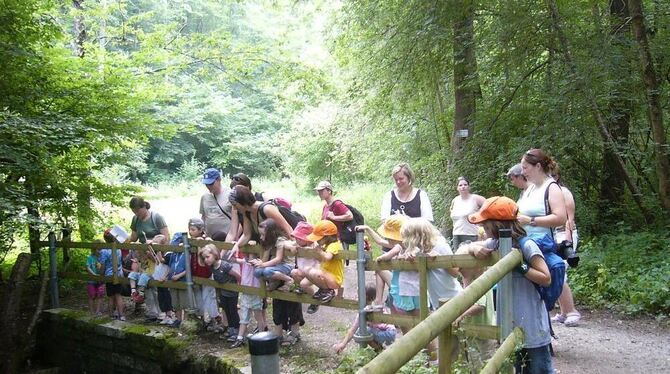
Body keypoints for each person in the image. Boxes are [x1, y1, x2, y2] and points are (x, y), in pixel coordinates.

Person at [467, 196, 555, 374]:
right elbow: (466, 247)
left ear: (497, 224)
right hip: (509, 322)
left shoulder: (527, 245)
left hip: (531, 322)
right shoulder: (496, 244)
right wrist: (473, 248)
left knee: (539, 368)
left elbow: (546, 278)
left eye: (486, 226)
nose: (483, 229)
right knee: (514, 366)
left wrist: (520, 266)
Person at [401, 217, 462, 310]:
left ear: (416, 236)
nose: (404, 241)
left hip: (452, 296)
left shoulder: (440, 246)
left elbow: (455, 272)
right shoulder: (419, 251)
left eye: (406, 236)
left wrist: (439, 259)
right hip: (436, 301)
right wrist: (410, 259)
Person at [227, 185, 295, 258]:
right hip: (271, 249)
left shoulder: (267, 209)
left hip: (284, 246)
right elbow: (246, 235)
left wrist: (296, 248)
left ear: (242, 202)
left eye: (235, 205)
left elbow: (288, 229)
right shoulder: (246, 213)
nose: (234, 208)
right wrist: (237, 245)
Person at [356, 215, 407, 311]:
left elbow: (384, 257)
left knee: (379, 265)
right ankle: (378, 301)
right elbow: (380, 241)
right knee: (379, 267)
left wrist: (381, 258)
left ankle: (378, 301)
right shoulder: (402, 244)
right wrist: (367, 228)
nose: (388, 238)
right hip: (400, 283)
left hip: (402, 284)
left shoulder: (399, 247)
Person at [551, 168, 581, 327]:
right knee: (556, 273)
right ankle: (563, 312)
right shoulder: (546, 192)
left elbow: (570, 218)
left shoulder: (564, 192)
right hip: (553, 235)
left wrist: (568, 243)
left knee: (560, 272)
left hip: (565, 234)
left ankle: (572, 311)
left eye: (553, 175)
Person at [333, 285, 397, 354]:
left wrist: (343, 344)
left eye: (359, 295)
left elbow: (352, 330)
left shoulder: (366, 310)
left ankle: (380, 350)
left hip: (387, 333)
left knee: (361, 331)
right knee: (365, 330)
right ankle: (380, 349)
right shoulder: (376, 306)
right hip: (392, 332)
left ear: (365, 296)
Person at [227, 246, 269, 348]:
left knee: (258, 316)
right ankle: (240, 338)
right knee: (244, 317)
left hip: (255, 292)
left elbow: (252, 262)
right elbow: (232, 259)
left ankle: (262, 337)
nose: (247, 255)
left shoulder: (258, 263)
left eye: (249, 253)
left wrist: (252, 259)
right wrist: (234, 248)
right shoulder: (244, 261)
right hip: (245, 292)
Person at [200, 244, 241, 338]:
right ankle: (231, 328)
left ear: (215, 255)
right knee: (226, 310)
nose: (206, 260)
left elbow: (237, 275)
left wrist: (238, 287)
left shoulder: (224, 265)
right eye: (204, 258)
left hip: (232, 292)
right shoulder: (212, 267)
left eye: (208, 257)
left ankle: (236, 329)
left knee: (232, 310)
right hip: (222, 292)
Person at [302, 220, 344, 304]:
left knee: (314, 272)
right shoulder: (326, 246)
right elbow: (322, 260)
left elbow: (328, 257)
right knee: (305, 276)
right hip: (326, 277)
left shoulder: (334, 245)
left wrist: (320, 252)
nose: (317, 241)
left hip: (334, 279)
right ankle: (322, 292)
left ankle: (328, 291)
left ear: (327, 237)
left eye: (318, 239)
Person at [287, 222, 321, 314]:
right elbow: (285, 244)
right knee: (294, 272)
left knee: (304, 284)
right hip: (302, 271)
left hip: (313, 272)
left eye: (300, 238)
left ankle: (315, 300)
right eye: (296, 237)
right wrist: (291, 247)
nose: (297, 240)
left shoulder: (314, 245)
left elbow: (319, 251)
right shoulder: (297, 244)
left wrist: (310, 251)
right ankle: (305, 290)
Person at [450, 176, 485, 250]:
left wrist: (483, 228)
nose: (463, 187)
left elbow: (490, 207)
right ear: (457, 188)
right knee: (458, 258)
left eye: (465, 185)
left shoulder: (476, 198)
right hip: (456, 234)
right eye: (460, 185)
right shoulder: (455, 200)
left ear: (469, 187)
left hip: (472, 234)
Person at [200, 168, 233, 239]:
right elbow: (204, 216)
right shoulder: (204, 197)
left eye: (211, 184)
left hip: (228, 238)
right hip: (210, 239)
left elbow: (240, 219)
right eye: (206, 184)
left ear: (219, 180)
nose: (208, 186)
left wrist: (234, 236)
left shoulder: (230, 194)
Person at [100, 229, 125, 321]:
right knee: (118, 295)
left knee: (110, 296)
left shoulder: (104, 251)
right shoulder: (118, 249)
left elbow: (103, 265)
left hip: (109, 275)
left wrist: (101, 274)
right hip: (119, 274)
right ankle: (121, 315)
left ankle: (111, 315)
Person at [85, 247, 105, 315]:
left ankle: (98, 311)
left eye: (101, 249)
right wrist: (94, 275)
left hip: (100, 280)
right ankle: (92, 312)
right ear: (94, 249)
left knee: (100, 295)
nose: (100, 251)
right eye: (98, 249)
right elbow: (88, 267)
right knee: (92, 296)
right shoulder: (90, 257)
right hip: (91, 280)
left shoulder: (102, 257)